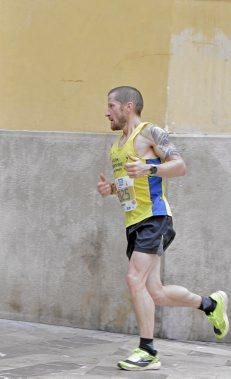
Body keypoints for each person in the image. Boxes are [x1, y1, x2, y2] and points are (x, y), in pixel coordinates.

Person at [97, 86, 228, 371]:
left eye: (111, 106)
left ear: (128, 106)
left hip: (156, 218)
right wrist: (110, 190)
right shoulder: (118, 146)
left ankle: (148, 350)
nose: (107, 112)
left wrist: (150, 168)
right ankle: (210, 305)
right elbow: (128, 188)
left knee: (134, 279)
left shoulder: (150, 133)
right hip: (134, 222)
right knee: (155, 292)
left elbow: (180, 166)